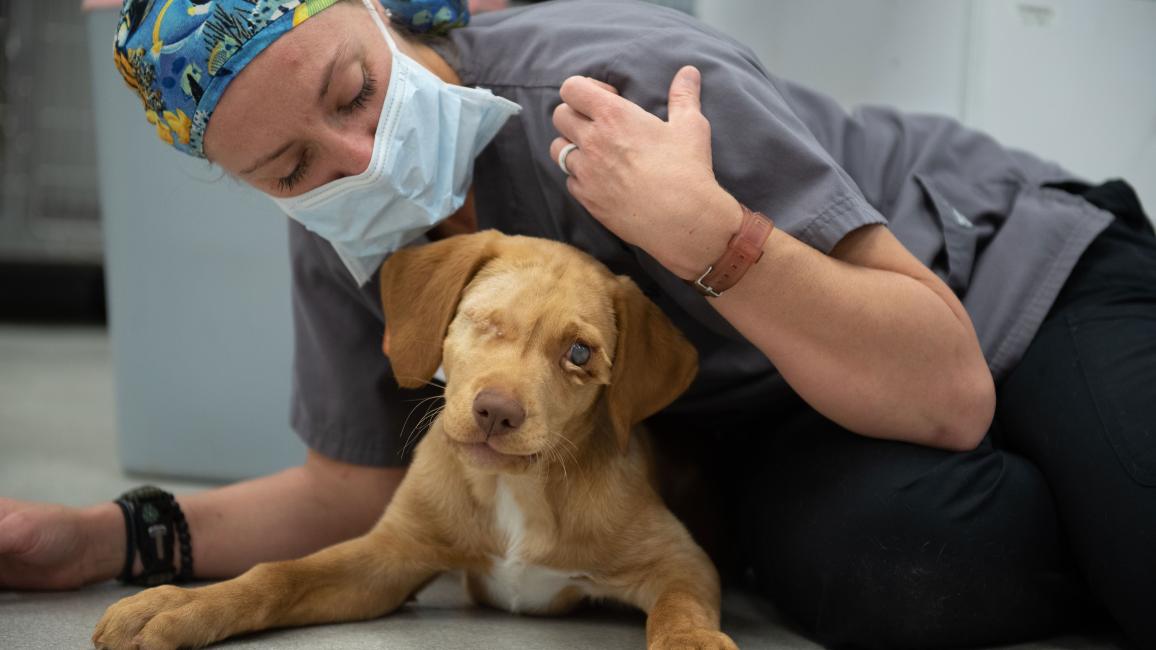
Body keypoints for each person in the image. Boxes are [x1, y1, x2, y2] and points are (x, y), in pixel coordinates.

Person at [2, 0, 1153, 647]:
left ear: (371, 8)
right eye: (291, 163)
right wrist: (103, 536)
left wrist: (709, 234)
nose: (353, 157)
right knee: (903, 573)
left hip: (1006, 277)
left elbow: (946, 381)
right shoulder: (346, 241)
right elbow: (352, 493)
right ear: (250, 183)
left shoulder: (616, 85)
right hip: (803, 416)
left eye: (353, 91)